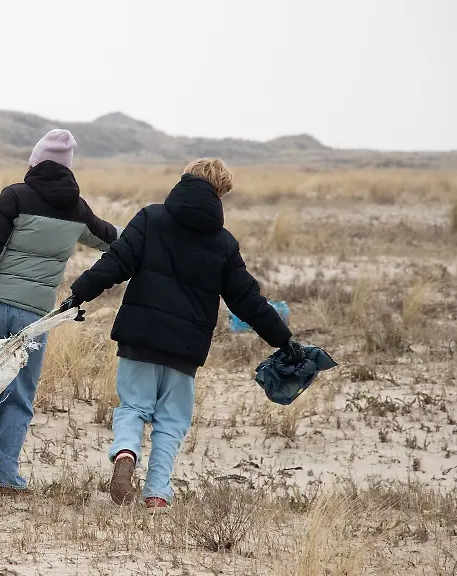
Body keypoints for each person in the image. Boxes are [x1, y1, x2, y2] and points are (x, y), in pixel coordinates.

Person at [59, 158, 303, 509]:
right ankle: (157, 492)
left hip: (139, 336)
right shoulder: (224, 243)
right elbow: (247, 301)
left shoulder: (150, 218)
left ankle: (126, 452)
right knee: (171, 420)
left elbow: (115, 264)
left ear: (185, 180)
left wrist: (77, 295)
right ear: (221, 192)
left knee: (133, 406)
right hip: (185, 348)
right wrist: (283, 339)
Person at [0, 129, 123, 496]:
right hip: (34, 318)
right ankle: (6, 476)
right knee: (19, 394)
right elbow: (115, 239)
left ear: (34, 161)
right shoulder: (78, 210)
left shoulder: (14, 197)